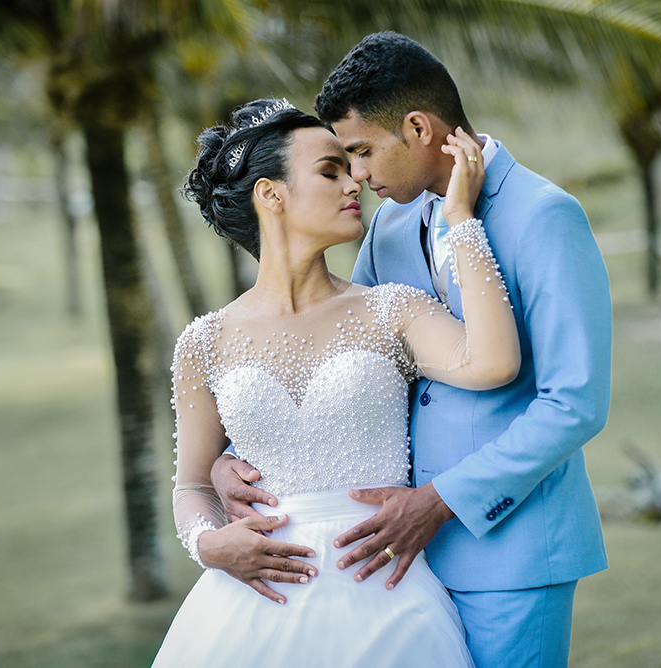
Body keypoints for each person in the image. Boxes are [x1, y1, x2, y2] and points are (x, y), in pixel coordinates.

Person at [213, 33, 612, 668]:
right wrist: (230, 462)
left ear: (419, 128)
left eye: (362, 152)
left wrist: (441, 500)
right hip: (397, 562)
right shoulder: (390, 227)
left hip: (508, 552)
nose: (358, 176)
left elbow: (574, 405)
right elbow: (347, 357)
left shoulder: (544, 217)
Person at [150, 97, 520, 667]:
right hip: (250, 609)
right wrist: (209, 544)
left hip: (385, 601)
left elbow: (494, 362)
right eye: (331, 171)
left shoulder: (391, 310)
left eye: (350, 167)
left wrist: (462, 220)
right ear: (270, 195)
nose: (355, 183)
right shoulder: (204, 342)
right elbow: (193, 486)